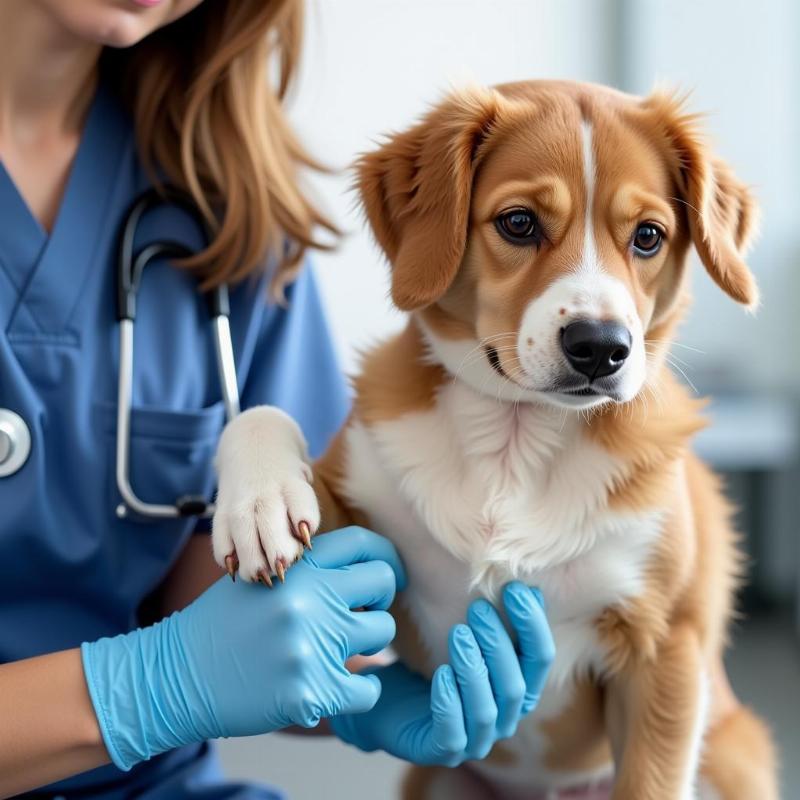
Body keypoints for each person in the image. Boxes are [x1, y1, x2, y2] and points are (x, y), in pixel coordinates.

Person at [0, 2, 555, 798]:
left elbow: (238, 622)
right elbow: (186, 671)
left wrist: (355, 680)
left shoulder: (226, 209)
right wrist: (147, 687)